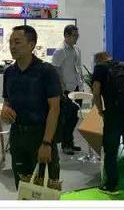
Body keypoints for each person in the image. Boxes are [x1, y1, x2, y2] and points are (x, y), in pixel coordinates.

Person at [1, 25, 61, 188]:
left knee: (46, 188)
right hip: (17, 136)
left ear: (31, 45)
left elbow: (54, 109)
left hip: (41, 135)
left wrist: (47, 143)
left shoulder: (46, 71)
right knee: (23, 187)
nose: (12, 46)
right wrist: (5, 110)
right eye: (10, 42)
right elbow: (6, 102)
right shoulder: (9, 73)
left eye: (17, 42)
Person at [92, 51, 124, 196]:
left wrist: (100, 110)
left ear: (99, 60)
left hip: (113, 113)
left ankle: (111, 185)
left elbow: (96, 92)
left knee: (111, 149)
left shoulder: (100, 68)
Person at [52, 24, 83, 155]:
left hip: (77, 88)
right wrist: (62, 90)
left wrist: (81, 84)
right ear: (66, 35)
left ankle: (70, 142)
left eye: (77, 35)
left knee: (74, 118)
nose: (77, 38)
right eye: (74, 36)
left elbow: (78, 68)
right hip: (67, 90)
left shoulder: (77, 50)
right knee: (66, 118)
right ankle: (65, 145)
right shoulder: (60, 51)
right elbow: (55, 71)